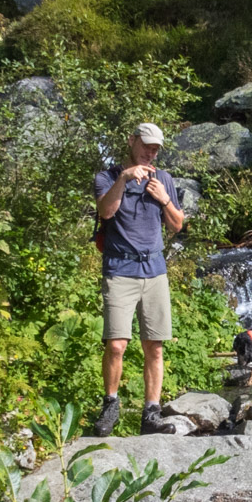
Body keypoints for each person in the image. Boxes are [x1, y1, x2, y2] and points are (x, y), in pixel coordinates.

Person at [92, 121, 185, 437]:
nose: (151, 152)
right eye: (146, 145)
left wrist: (164, 200)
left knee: (154, 347)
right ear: (131, 141)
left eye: (156, 148)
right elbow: (106, 212)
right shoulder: (107, 176)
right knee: (116, 344)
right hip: (120, 270)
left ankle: (151, 414)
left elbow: (177, 225)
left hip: (155, 271)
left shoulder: (164, 180)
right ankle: (110, 405)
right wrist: (123, 178)